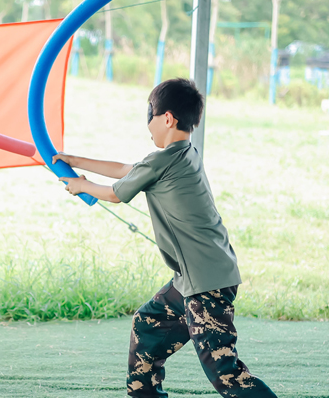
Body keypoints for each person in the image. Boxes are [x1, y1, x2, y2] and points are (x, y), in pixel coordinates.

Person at [52, 78, 277, 397]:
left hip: (206, 283)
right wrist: (73, 161)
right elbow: (126, 169)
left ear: (167, 118)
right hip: (193, 279)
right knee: (147, 326)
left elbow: (117, 193)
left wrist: (81, 185)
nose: (148, 126)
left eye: (150, 116)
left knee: (225, 372)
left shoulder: (165, 159)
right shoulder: (184, 153)